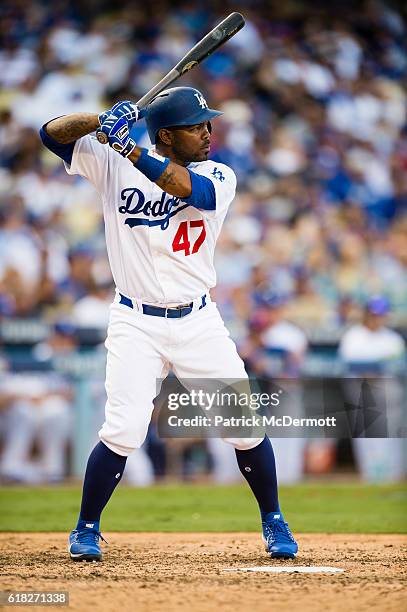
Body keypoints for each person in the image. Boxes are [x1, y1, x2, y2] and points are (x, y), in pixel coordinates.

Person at [40, 88, 298, 562]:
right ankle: (86, 528)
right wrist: (101, 119)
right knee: (123, 428)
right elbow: (51, 133)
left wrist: (130, 147)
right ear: (167, 135)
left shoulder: (217, 173)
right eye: (196, 126)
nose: (207, 133)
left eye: (207, 124)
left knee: (242, 424)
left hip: (198, 320)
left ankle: (274, 521)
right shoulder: (112, 160)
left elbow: (188, 191)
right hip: (135, 321)